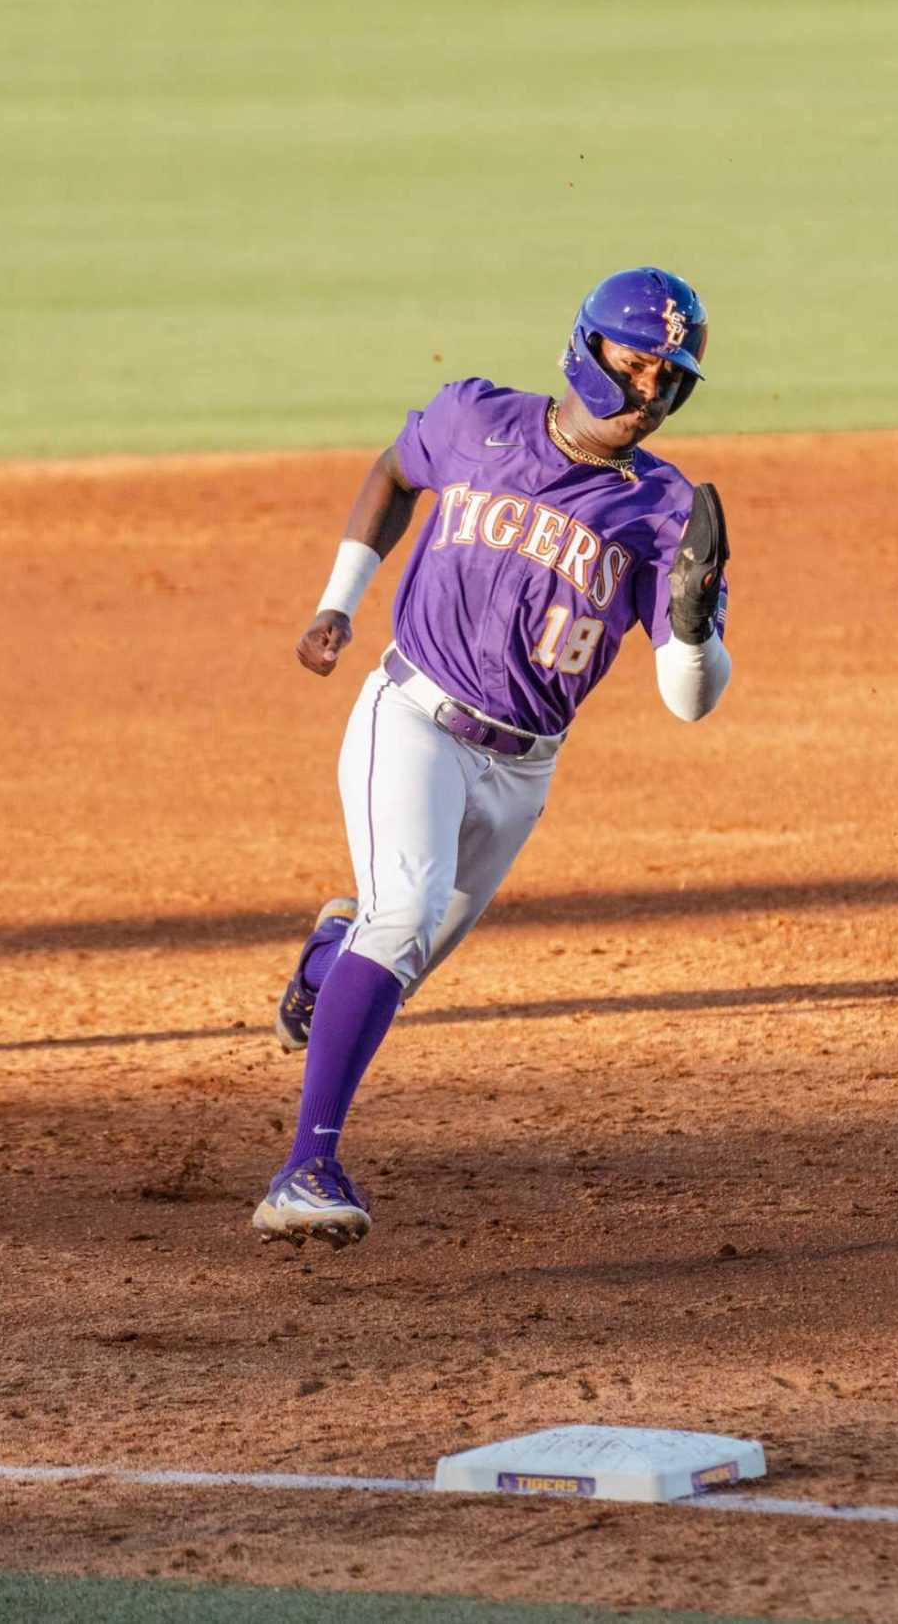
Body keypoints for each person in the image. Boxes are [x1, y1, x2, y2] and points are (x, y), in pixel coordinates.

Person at [254, 269, 733, 1248]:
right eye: (634, 366)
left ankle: (326, 957)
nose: (648, 393)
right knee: (405, 914)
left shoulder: (666, 511)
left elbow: (688, 702)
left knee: (401, 954)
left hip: (523, 771)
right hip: (415, 718)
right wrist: (337, 601)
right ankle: (304, 1170)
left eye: (669, 379)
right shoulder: (477, 422)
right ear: (584, 350)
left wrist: (690, 626)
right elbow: (393, 471)